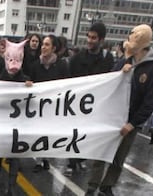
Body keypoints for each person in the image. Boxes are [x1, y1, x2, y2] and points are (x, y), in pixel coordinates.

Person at [85, 24, 153, 196]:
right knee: (101, 153)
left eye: (134, 35)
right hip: (112, 117)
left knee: (119, 158)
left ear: (143, 39)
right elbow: (110, 83)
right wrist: (121, 69)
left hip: (130, 121)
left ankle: (107, 186)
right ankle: (92, 185)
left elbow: (150, 100)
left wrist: (133, 123)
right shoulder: (125, 60)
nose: (130, 37)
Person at [68, 22, 114, 176]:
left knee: (88, 134)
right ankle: (72, 161)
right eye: (88, 36)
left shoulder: (107, 60)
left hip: (96, 105)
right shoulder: (77, 58)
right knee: (74, 132)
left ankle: (80, 159)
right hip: (77, 104)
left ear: (101, 40)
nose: (89, 40)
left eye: (93, 38)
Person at [0, 39, 31, 196]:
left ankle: (12, 185)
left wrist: (31, 88)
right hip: (0, 124)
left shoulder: (25, 79)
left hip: (17, 124)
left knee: (15, 154)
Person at [29, 35, 70, 172]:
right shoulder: (35, 65)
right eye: (43, 44)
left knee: (49, 134)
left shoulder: (62, 65)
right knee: (39, 133)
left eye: (47, 45)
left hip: (53, 107)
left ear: (54, 48)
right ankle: (39, 160)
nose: (43, 47)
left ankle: (46, 158)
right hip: (38, 107)